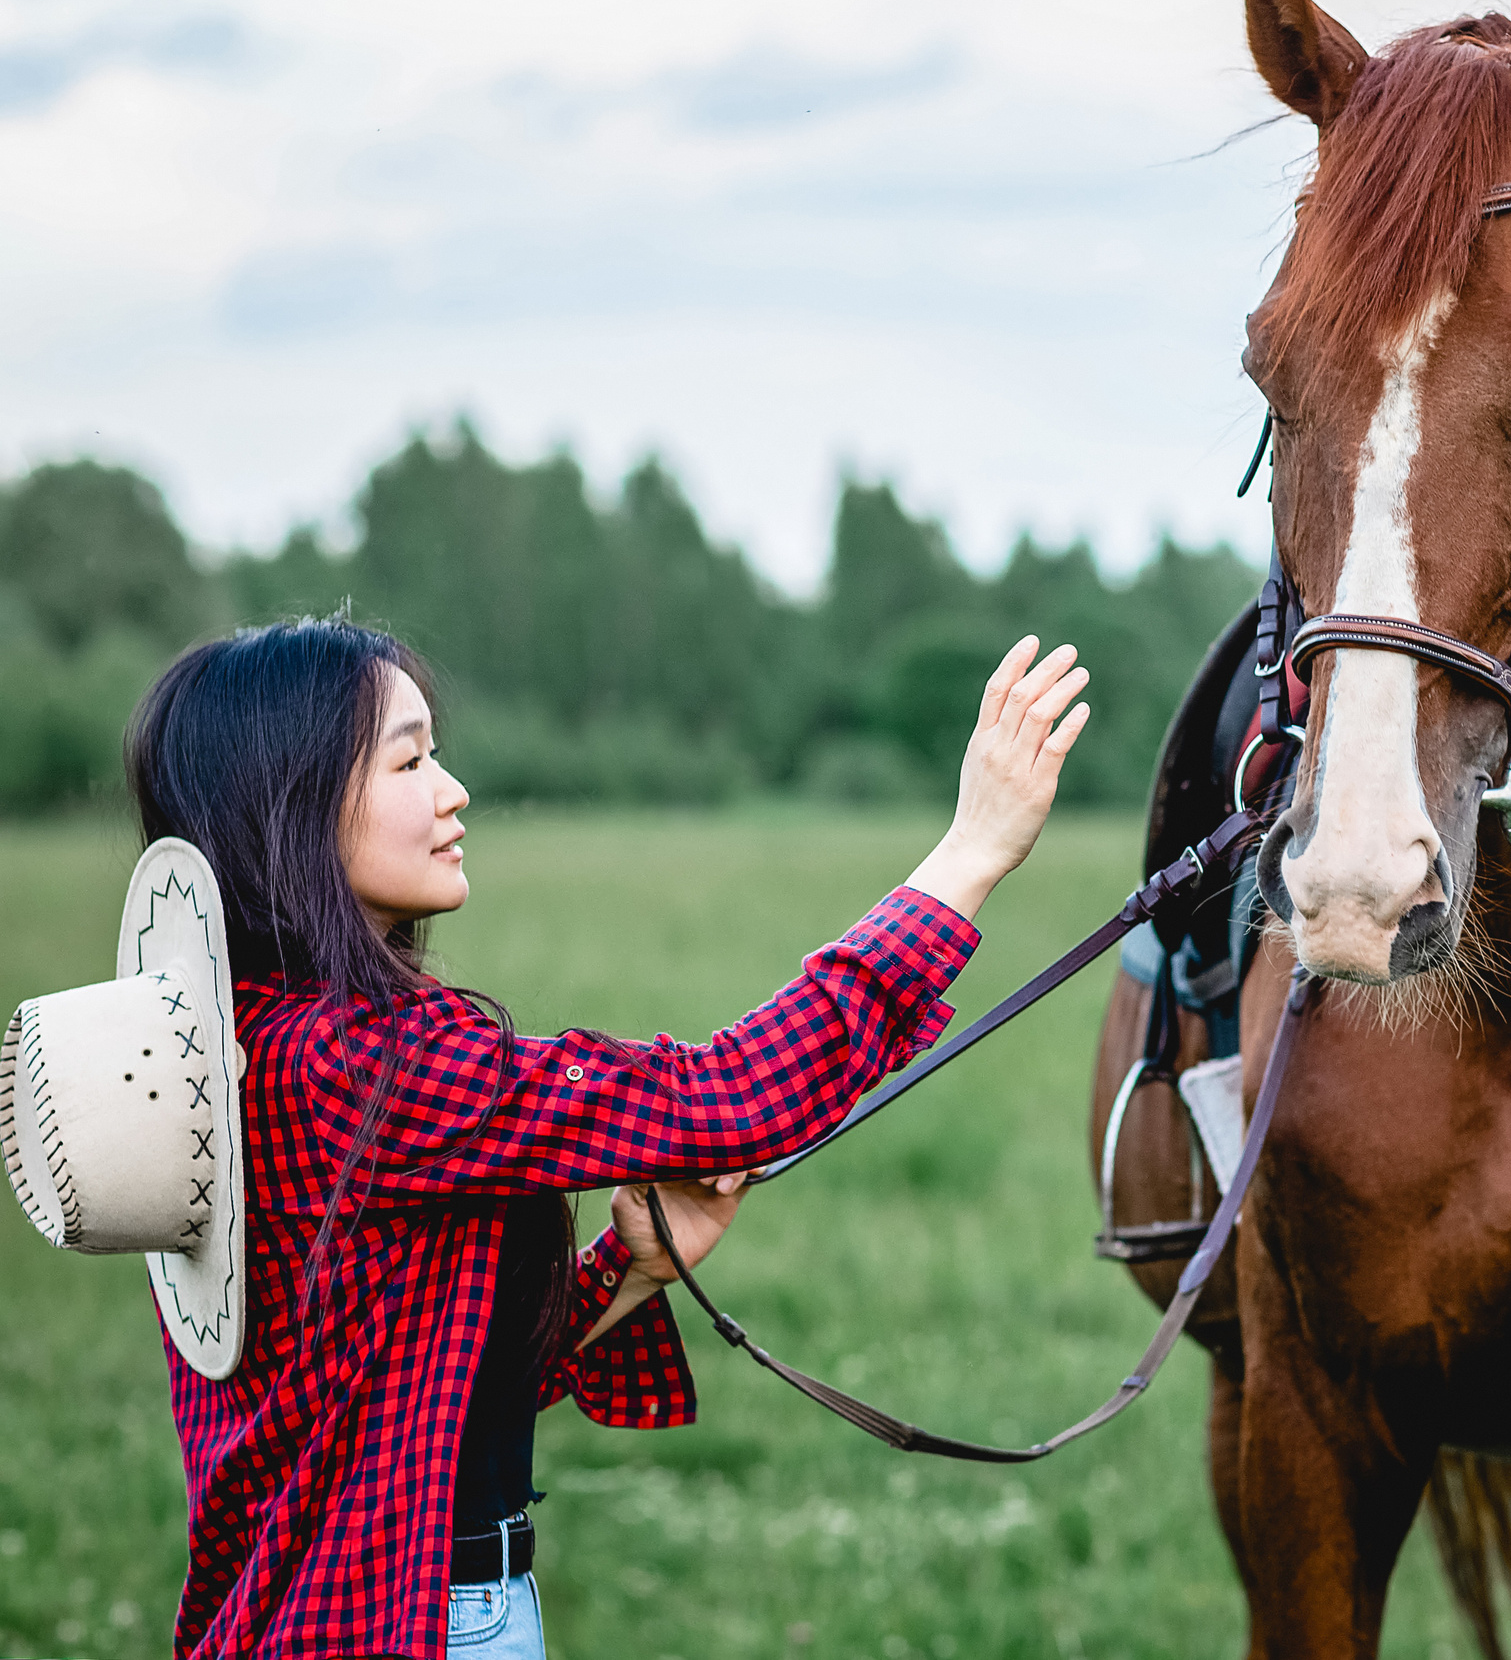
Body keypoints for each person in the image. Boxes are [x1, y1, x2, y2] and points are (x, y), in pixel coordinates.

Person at [122, 616, 1090, 1660]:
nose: (451, 792)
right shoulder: (358, 1065)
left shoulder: (249, 1048)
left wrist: (633, 1269)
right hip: (413, 1628)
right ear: (294, 807)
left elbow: (416, 1388)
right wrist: (973, 852)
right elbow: (727, 1097)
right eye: (408, 760)